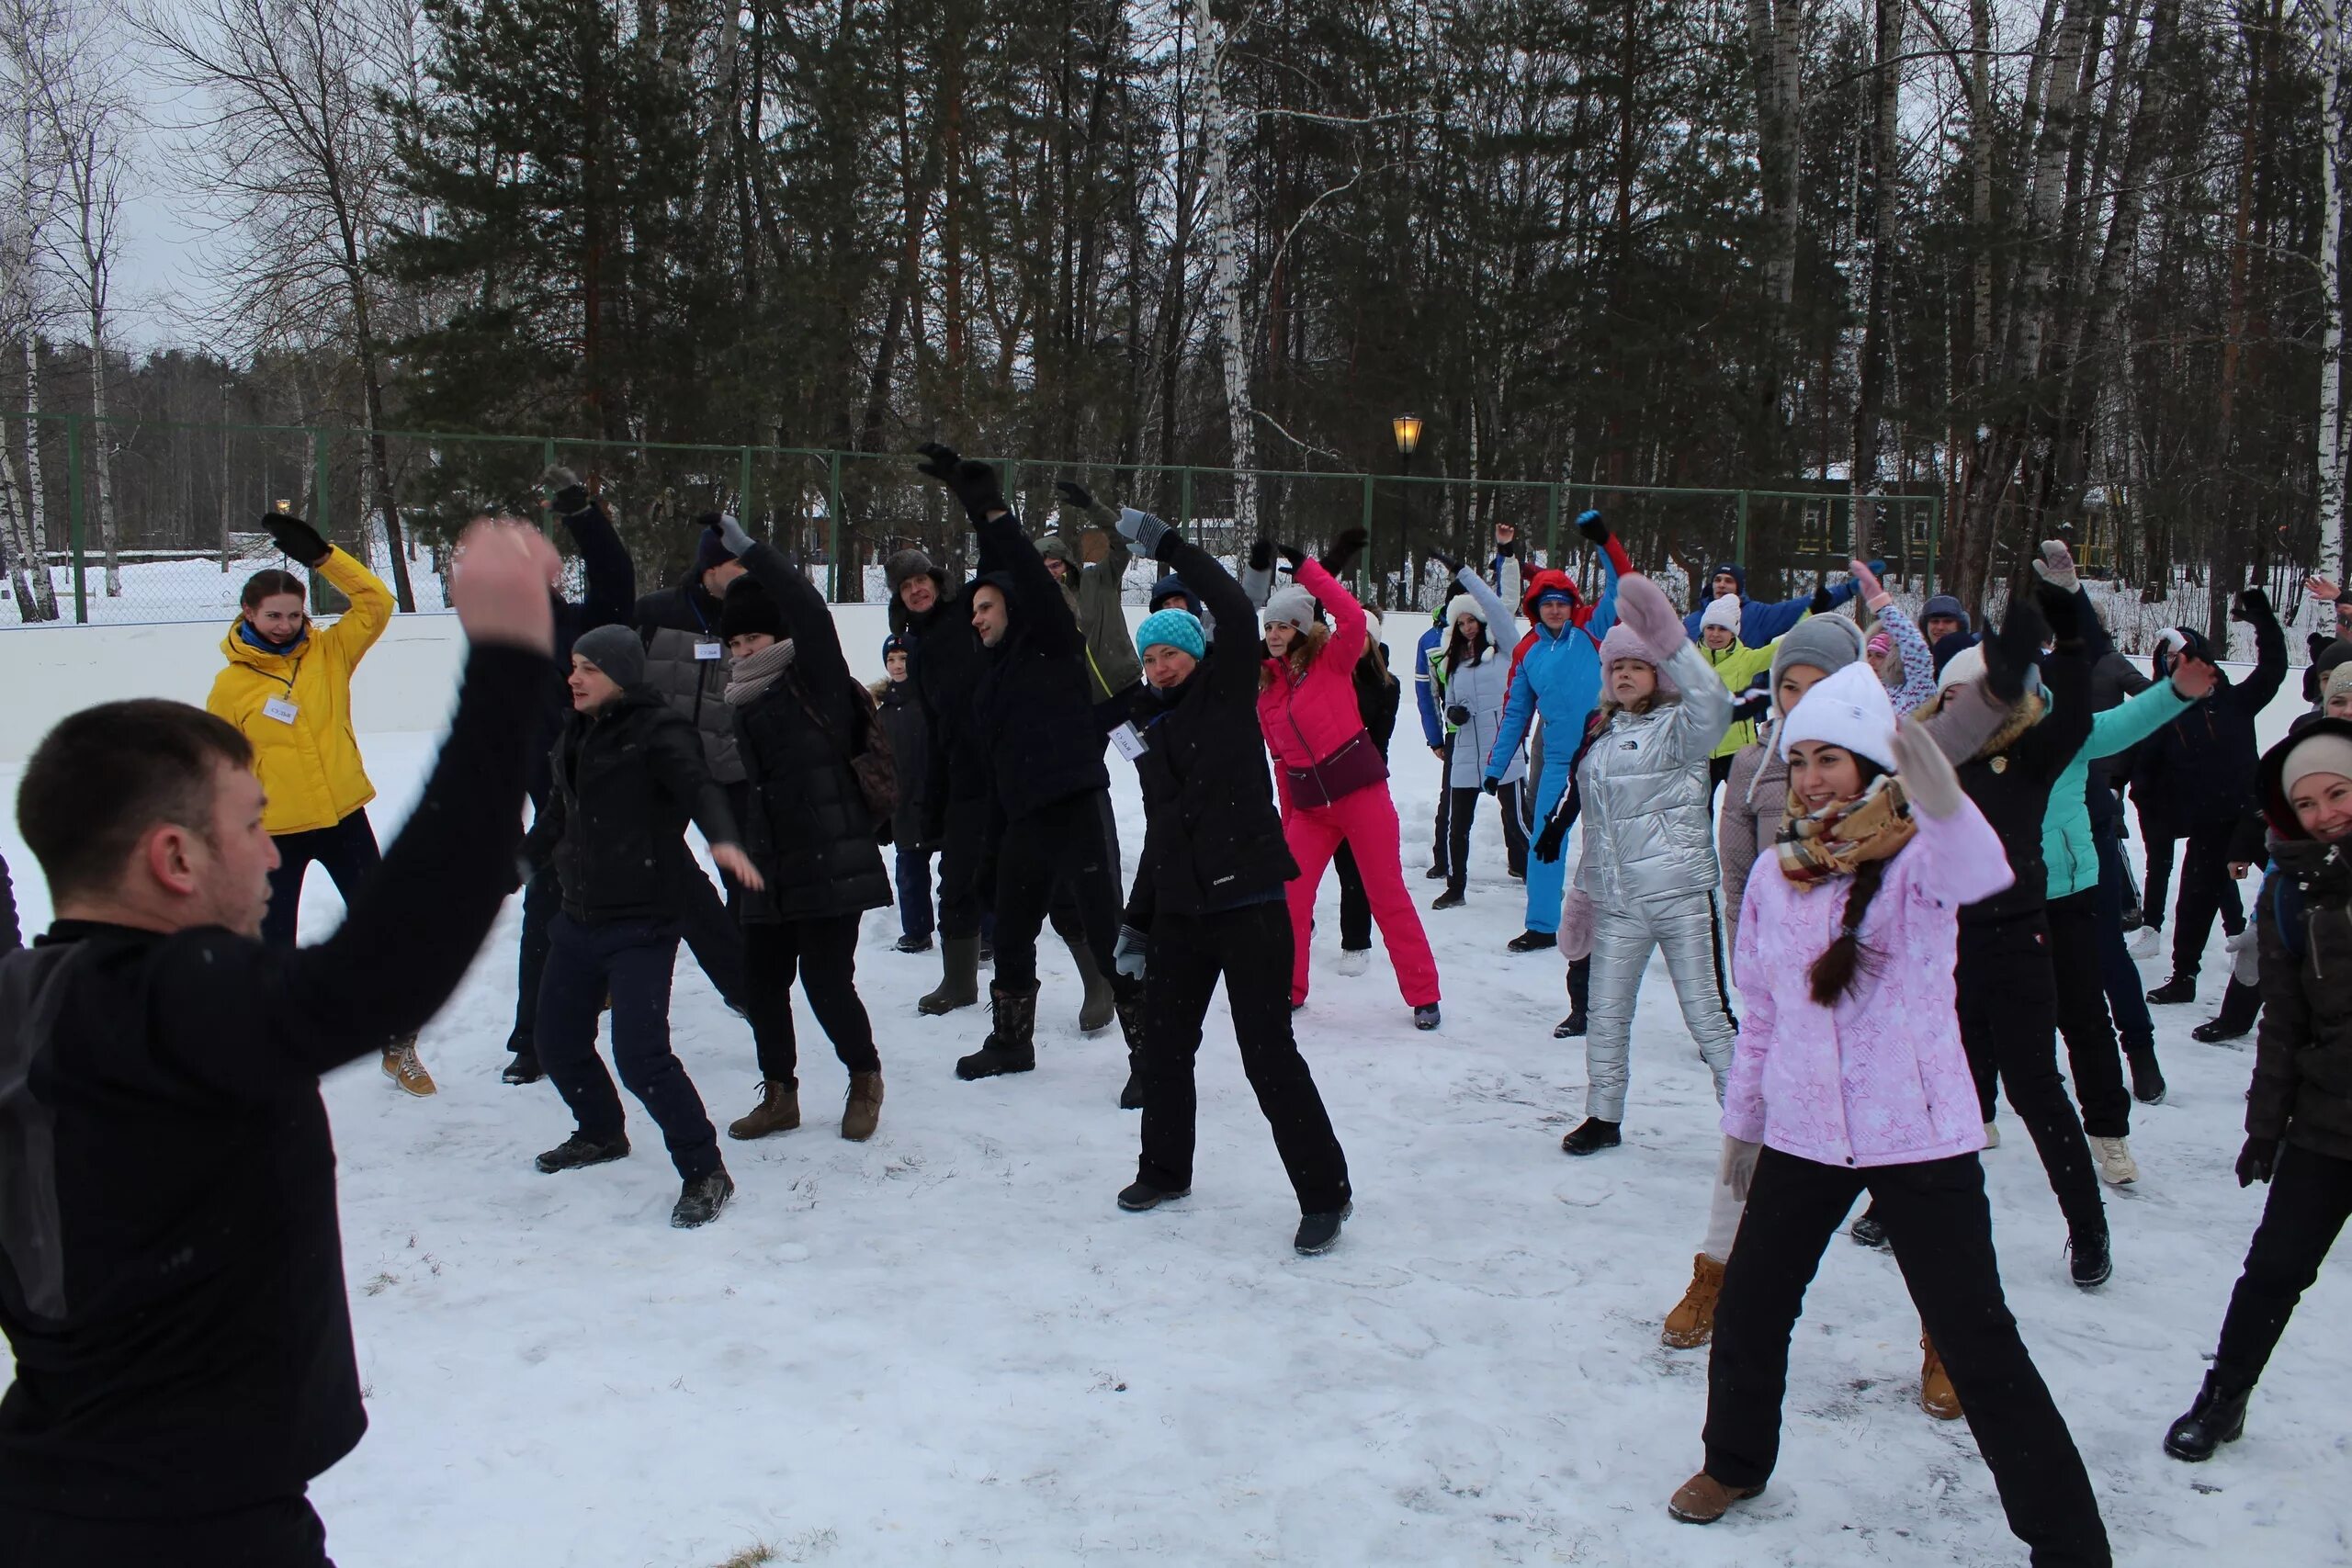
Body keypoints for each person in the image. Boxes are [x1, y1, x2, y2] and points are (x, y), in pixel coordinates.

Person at [0, 519, 559, 1568]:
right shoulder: (167, 1005)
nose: (271, 852)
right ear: (172, 857)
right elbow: (385, 966)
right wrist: (509, 666)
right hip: (182, 1527)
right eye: (252, 823)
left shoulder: (28, 1002)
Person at [1668, 672, 2113, 1568]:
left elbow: (1982, 872)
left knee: (1975, 1336)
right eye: (1796, 760)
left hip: (1917, 1135)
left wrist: (1944, 800)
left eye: (1827, 757)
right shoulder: (1773, 870)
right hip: (1800, 1131)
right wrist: (1744, 1127)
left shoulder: (1916, 860)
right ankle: (1735, 1463)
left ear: (1869, 763)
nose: (1809, 777)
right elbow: (1758, 1008)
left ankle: (2067, 1540)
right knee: (1753, 1308)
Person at [1113, 510, 1354, 1255]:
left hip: (1249, 903)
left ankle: (1325, 1192)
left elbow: (1226, 599)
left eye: (1170, 656)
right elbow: (1160, 835)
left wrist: (1168, 544)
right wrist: (1137, 920)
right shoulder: (1145, 728)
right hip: (1184, 912)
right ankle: (1165, 1168)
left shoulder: (1225, 691)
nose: (1159, 667)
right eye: (1149, 659)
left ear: (1196, 657)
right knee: (1164, 1048)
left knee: (1266, 1054)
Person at [519, 623, 754, 1228]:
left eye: (589, 668)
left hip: (641, 919)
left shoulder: (659, 731)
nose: (574, 677)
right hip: (577, 915)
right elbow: (558, 812)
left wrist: (723, 837)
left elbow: (698, 787)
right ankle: (600, 1131)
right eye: (573, 665)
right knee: (557, 1040)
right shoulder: (577, 732)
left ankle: (705, 1170)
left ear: (621, 674)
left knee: (641, 1055)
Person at [915, 444, 1137, 1081]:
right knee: (1011, 932)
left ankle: (1152, 1056)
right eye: (974, 609)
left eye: (988, 607)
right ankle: (1012, 1042)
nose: (977, 616)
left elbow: (1020, 573)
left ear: (1016, 608)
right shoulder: (992, 676)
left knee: (1107, 934)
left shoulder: (1051, 642)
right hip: (1021, 819)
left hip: (1074, 805)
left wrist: (984, 506)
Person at [2164, 718, 2352, 1461]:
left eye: (2338, 792)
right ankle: (2224, 1395)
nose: (2324, 813)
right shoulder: (2292, 892)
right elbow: (2282, 1024)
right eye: (2306, 803)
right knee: (2274, 1269)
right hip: (2328, 1119)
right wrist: (2266, 1127)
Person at [1913, 589, 2113, 1287]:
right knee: (1933, 1081)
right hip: (1939, 944)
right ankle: (1895, 1200)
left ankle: (2087, 1227)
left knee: (2034, 1085)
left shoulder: (2030, 758)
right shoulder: (1927, 766)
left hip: (2014, 940)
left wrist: (2068, 637)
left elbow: (2079, 711)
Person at [205, 509, 432, 1097]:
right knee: (272, 948)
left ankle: (397, 1043)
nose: (284, 625)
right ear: (249, 615)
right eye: (272, 615)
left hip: (342, 821)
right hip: (274, 834)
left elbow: (377, 602)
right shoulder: (231, 687)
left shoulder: (330, 654)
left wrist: (323, 557)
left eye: (294, 614)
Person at [2031, 543, 2215, 1187]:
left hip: (2076, 889)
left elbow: (2126, 709)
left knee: (2084, 1014)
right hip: (2003, 897)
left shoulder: (2070, 727)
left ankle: (2108, 1132)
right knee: (1984, 1008)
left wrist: (2175, 691)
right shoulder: (1970, 744)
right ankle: (1973, 1111)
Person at [706, 520, 891, 1145]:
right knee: (762, 981)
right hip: (769, 860)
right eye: (734, 644)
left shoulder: (814, 676)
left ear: (777, 636)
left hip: (829, 856)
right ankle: (779, 1093)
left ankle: (864, 1077)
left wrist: (751, 551)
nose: (742, 652)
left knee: (825, 979)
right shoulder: (743, 699)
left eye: (752, 637)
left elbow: (809, 606)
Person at [1541, 573, 1735, 1155]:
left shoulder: (1681, 729)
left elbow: (1715, 701)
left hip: (1678, 896)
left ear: (1660, 674)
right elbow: (1599, 829)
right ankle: (1603, 1115)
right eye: (1616, 667)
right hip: (1619, 902)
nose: (1624, 675)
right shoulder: (1602, 734)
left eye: (1638, 666)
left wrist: (1673, 639)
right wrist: (1584, 895)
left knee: (1706, 1020)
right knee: (1605, 1014)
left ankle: (1753, 1127)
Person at [1256, 544, 1442, 1027]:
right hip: (1312, 811)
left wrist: (1306, 571)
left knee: (1386, 894)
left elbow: (1349, 615)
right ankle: (1289, 989)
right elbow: (1281, 762)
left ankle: (1423, 993)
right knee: (1290, 898)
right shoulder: (1268, 692)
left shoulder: (1332, 662)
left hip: (1361, 797)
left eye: (1284, 625)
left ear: (1301, 628)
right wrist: (1289, 817)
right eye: (1269, 626)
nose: (1275, 634)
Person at [503, 468, 637, 1086]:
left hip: (616, 799)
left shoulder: (587, 626)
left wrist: (582, 515)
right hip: (555, 811)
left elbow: (614, 574)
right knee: (547, 916)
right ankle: (532, 1039)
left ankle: (745, 992)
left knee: (653, 907)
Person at [1486, 510, 1631, 952]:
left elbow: (1622, 585)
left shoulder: (1592, 627)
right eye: (1546, 602)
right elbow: (1515, 712)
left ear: (1571, 604)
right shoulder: (1528, 649)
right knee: (1545, 843)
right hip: (1559, 765)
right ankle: (1543, 925)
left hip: (1608, 757)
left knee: (1615, 843)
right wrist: (1496, 766)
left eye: (1561, 601)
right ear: (1535, 606)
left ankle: (1626, 926)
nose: (1554, 608)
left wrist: (1605, 541)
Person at [2140, 591, 2287, 1007]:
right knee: (2192, 906)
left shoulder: (2236, 702)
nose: (2181, 665)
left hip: (2257, 817)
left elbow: (2274, 668)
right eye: (2172, 660)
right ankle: (2184, 977)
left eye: (2189, 657)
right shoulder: (2162, 715)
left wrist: (2264, 622)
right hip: (2208, 825)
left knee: (2296, 889)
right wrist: (2152, 813)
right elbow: (2144, 771)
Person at [629, 514, 752, 1016]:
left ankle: (748, 982)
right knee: (661, 870)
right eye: (736, 564)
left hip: (731, 769)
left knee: (746, 879)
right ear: (710, 567)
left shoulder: (756, 616)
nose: (747, 572)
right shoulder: (654, 613)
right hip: (662, 770)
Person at [888, 545, 994, 1012]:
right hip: (957, 766)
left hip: (999, 753)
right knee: (957, 874)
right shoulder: (915, 639)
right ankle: (959, 981)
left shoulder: (967, 609)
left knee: (1019, 872)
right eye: (906, 586)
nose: (916, 589)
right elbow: (933, 718)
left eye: (921, 580)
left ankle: (1101, 984)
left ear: (937, 579)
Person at [1425, 558, 1528, 908]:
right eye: (1461, 622)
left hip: (1503, 749)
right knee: (1457, 825)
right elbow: (1450, 701)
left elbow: (1499, 610)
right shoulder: (1453, 664)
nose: (1468, 627)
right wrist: (1453, 713)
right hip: (1466, 750)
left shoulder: (1504, 653)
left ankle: (1538, 879)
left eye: (1472, 620)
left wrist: (1464, 573)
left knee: (1516, 821)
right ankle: (1456, 887)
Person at [875, 633, 935, 953]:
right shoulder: (883, 713)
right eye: (891, 659)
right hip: (904, 806)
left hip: (939, 799)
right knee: (910, 874)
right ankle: (916, 931)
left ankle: (984, 935)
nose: (897, 666)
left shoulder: (934, 702)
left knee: (965, 875)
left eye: (903, 659)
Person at [1677, 558, 1876, 648]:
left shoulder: (1758, 615)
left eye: (1729, 581)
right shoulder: (1693, 622)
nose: (1721, 585)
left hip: (1745, 711)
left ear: (1739, 587)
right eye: (1717, 580)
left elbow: (1801, 607)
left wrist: (1848, 589)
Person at [1695, 595, 1777, 792]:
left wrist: (1810, 620)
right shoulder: (1690, 658)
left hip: (1737, 749)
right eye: (1710, 627)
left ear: (1733, 633)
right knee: (1699, 812)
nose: (1715, 634)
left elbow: (1778, 650)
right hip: (1700, 751)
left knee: (1745, 804)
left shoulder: (1745, 659)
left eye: (1723, 629)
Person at [1412, 601, 1453, 878]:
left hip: (1496, 732)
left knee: (1512, 801)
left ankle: (1521, 861)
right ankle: (1443, 860)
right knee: (1450, 798)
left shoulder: (1489, 631)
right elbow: (1427, 694)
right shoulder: (1431, 640)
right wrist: (1436, 738)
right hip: (1456, 734)